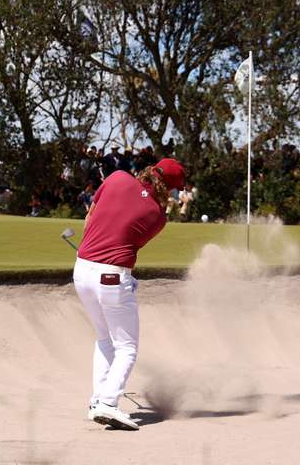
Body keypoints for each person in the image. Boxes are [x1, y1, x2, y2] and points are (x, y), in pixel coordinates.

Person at [73, 157, 186, 431]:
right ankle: (108, 404)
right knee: (127, 347)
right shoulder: (158, 217)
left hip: (82, 269)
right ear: (169, 188)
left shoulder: (117, 177)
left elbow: (90, 219)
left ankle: (98, 399)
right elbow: (130, 242)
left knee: (104, 338)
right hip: (112, 276)